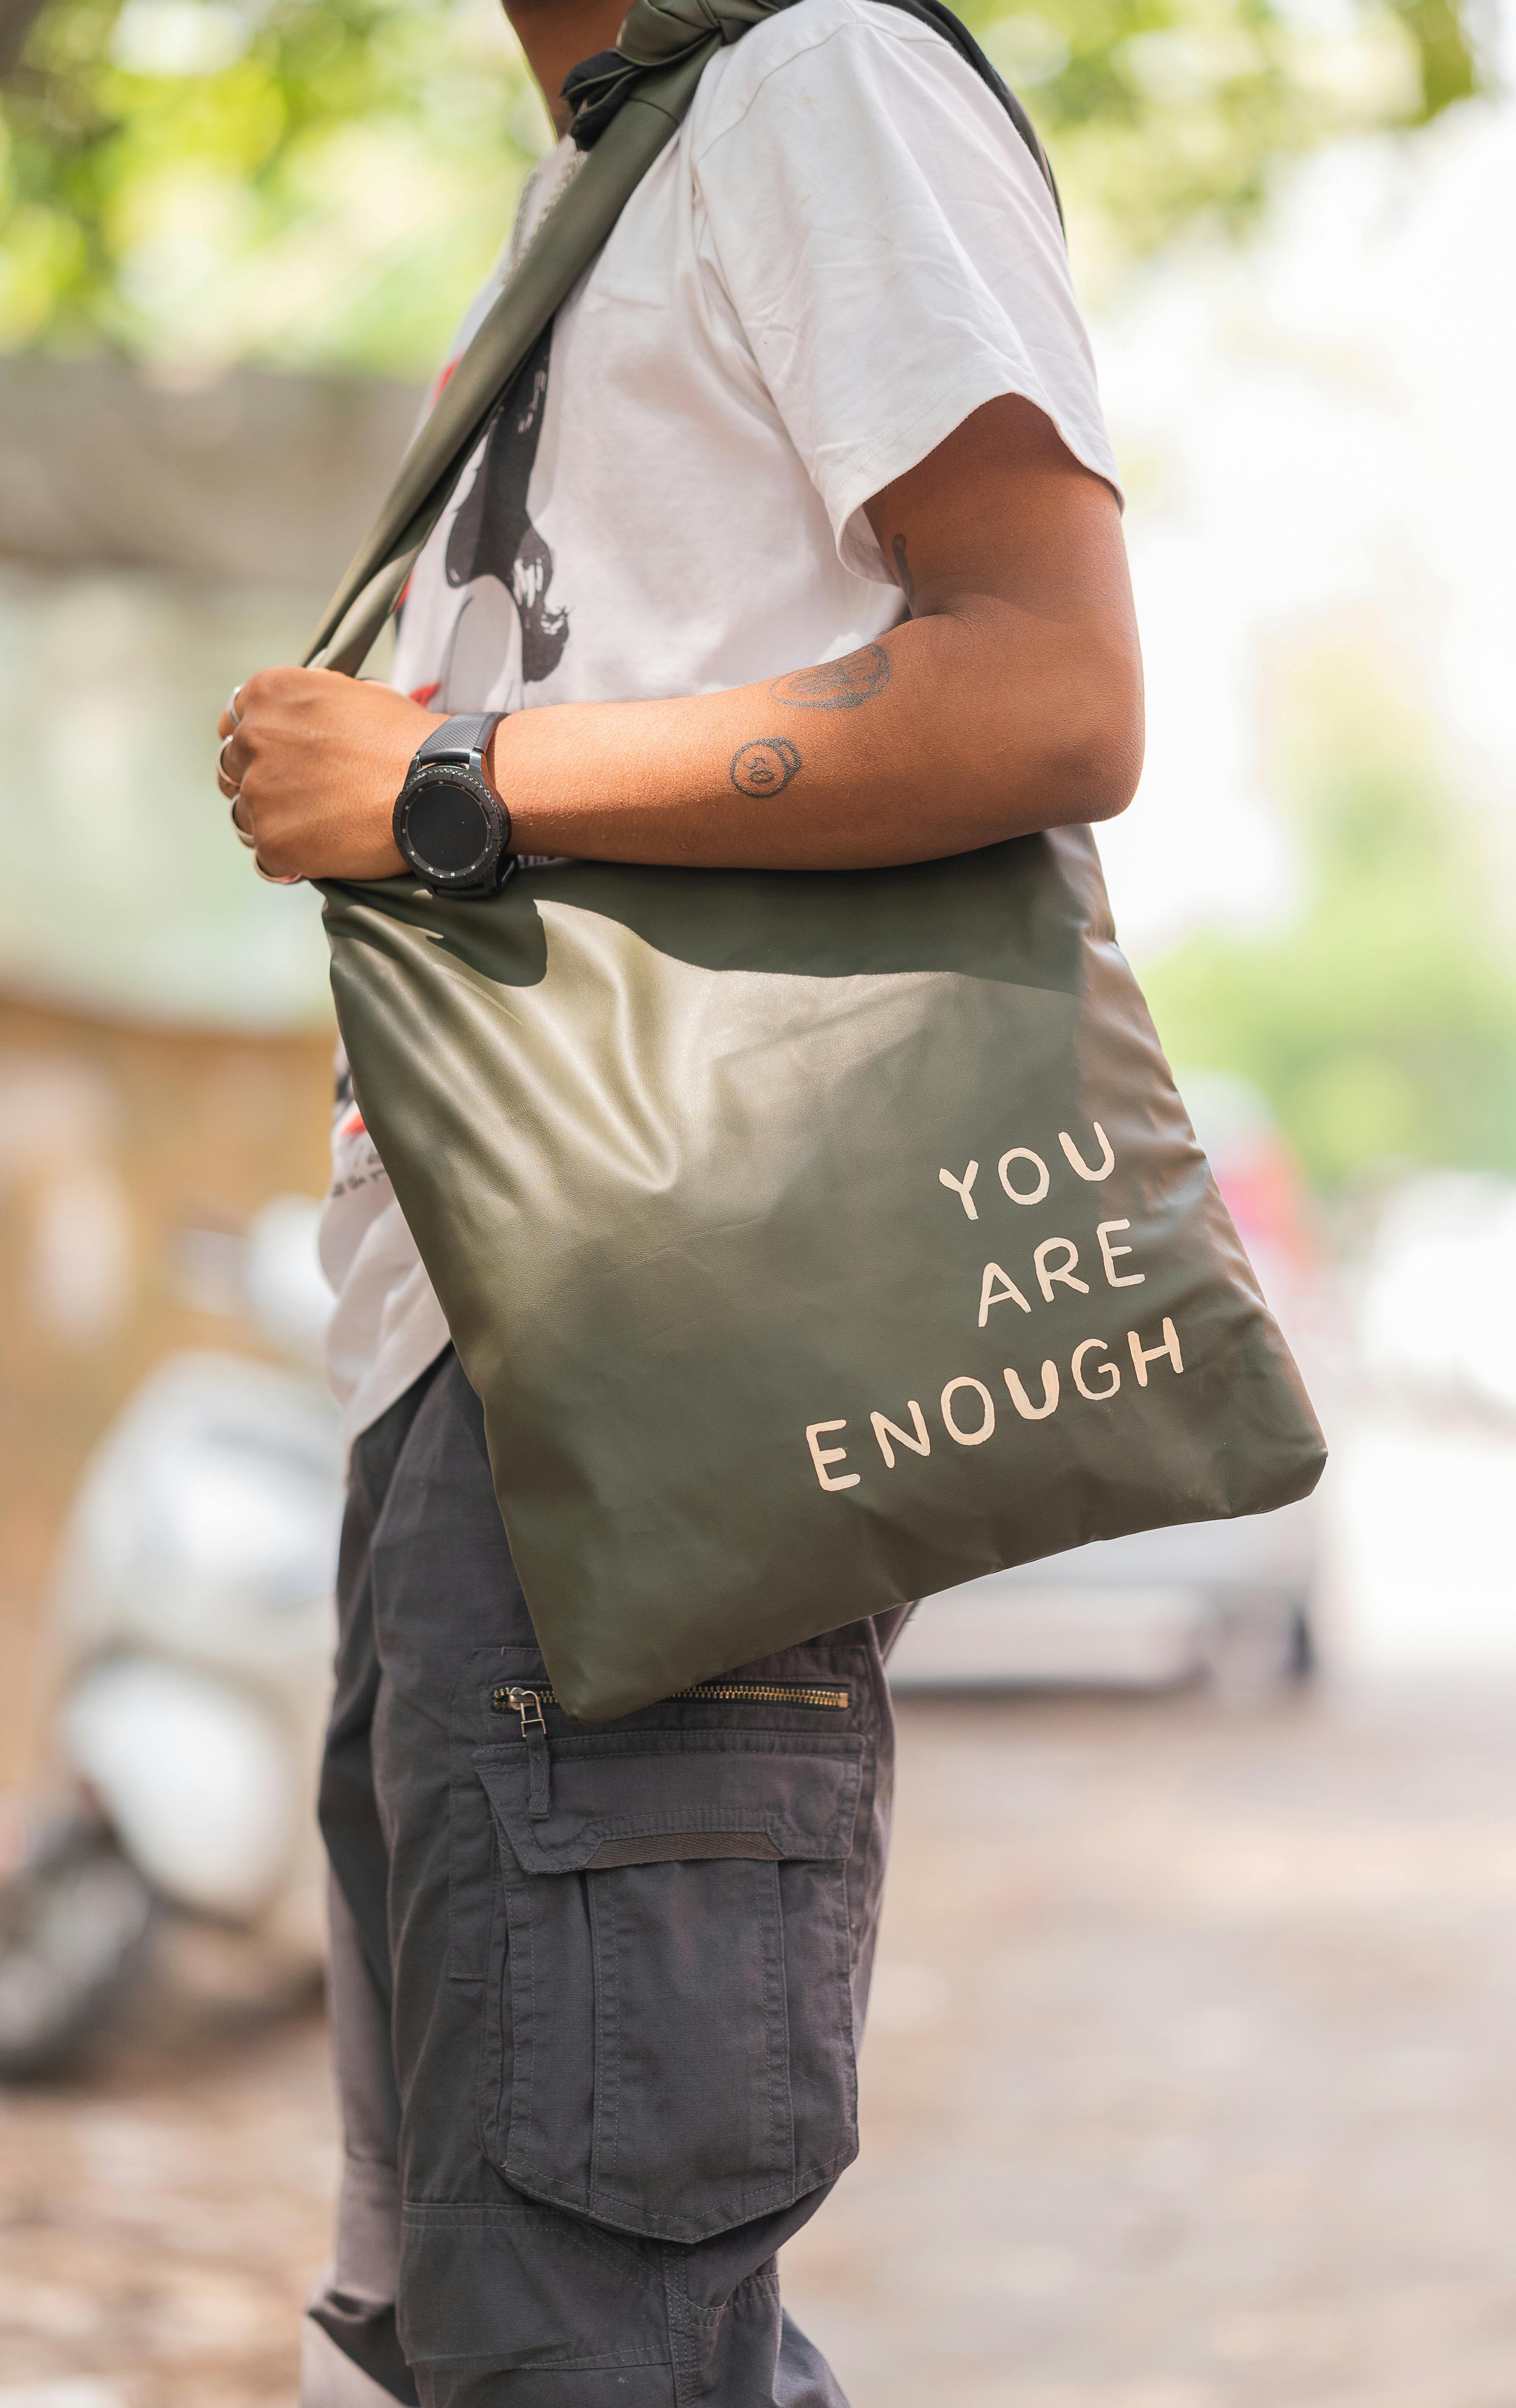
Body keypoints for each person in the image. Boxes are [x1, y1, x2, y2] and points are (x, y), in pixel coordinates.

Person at [217, 0, 1141, 2396]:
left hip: (646, 1377)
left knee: (577, 2325)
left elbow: (1054, 693)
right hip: (471, 1376)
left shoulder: (822, 83)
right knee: (491, 2326)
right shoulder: (606, 173)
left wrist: (449, 779)